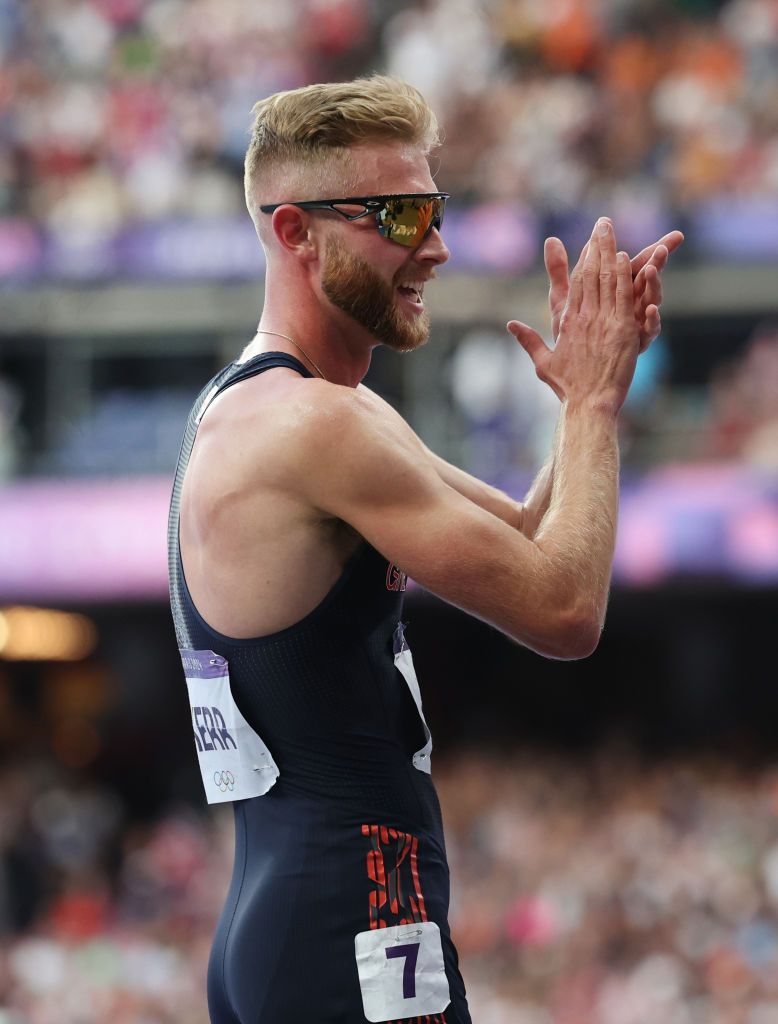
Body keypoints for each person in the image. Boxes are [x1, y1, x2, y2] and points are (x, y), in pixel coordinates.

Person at [167, 75, 683, 1024]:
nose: (436, 247)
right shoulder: (316, 429)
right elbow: (565, 611)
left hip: (293, 919)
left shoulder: (288, 406)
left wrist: (582, 400)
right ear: (295, 233)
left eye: (435, 209)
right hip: (355, 923)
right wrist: (599, 408)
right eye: (400, 215)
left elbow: (526, 537)